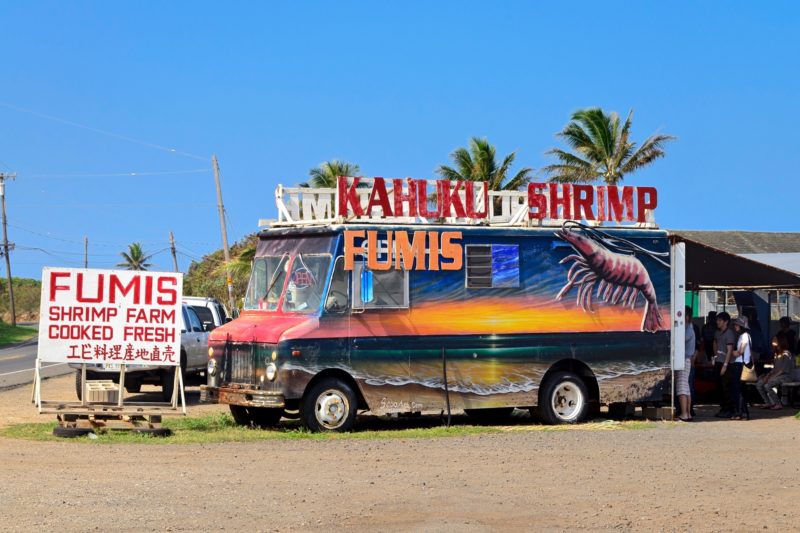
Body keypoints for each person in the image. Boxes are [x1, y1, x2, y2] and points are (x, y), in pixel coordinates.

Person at [754, 336, 796, 409]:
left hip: (786, 376)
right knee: (759, 384)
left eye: (775, 340)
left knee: (768, 385)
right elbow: (775, 368)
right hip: (777, 375)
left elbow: (782, 370)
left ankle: (778, 404)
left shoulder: (786, 354)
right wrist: (768, 375)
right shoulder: (776, 354)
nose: (773, 342)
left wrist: (772, 377)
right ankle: (768, 402)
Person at [727, 316, 751, 420]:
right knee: (739, 389)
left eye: (737, 325)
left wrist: (729, 352)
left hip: (741, 364)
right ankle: (741, 412)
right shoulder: (743, 336)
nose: (735, 326)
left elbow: (740, 352)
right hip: (740, 364)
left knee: (738, 389)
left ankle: (740, 412)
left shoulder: (745, 336)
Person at [712, 312, 736, 418]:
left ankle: (729, 409)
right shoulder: (717, 332)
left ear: (726, 322)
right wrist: (715, 356)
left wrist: (725, 365)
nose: (718, 322)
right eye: (717, 320)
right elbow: (715, 342)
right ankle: (723, 408)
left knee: (726, 387)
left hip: (726, 363)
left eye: (720, 320)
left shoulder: (729, 333)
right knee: (719, 387)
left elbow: (730, 350)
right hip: (718, 361)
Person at [676, 306, 696, 421]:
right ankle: (687, 413)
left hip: (684, 359)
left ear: (687, 317)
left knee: (682, 388)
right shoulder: (690, 328)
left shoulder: (688, 329)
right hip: (687, 360)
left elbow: (680, 339)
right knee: (686, 388)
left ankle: (684, 413)